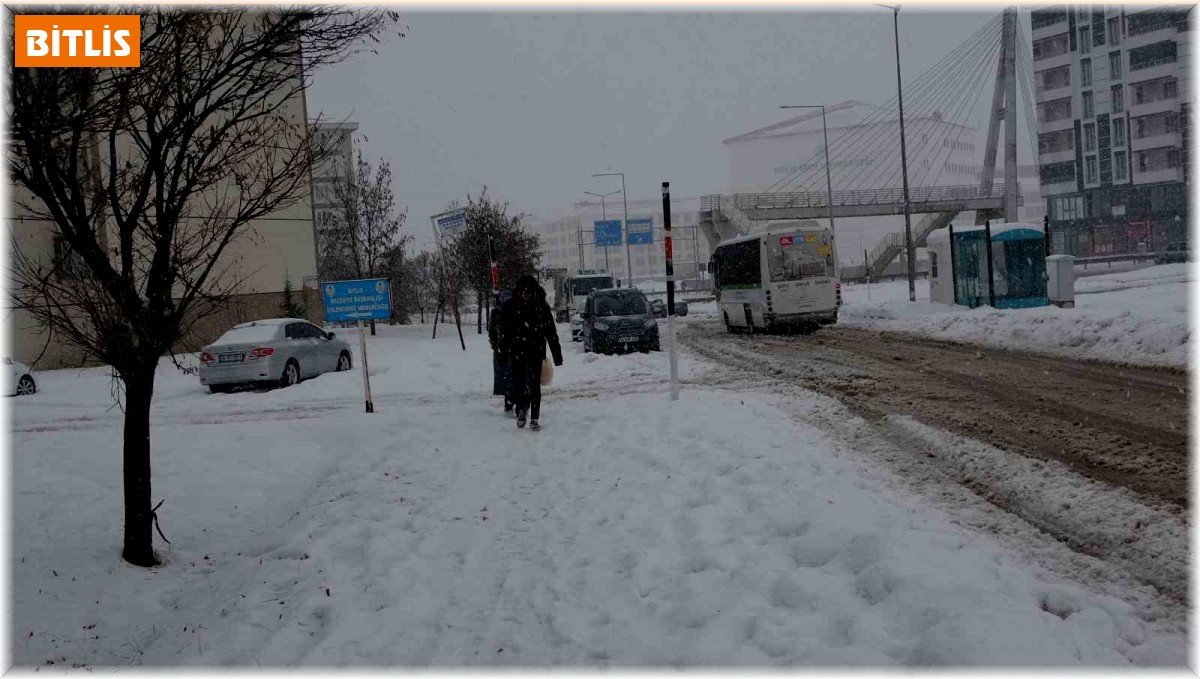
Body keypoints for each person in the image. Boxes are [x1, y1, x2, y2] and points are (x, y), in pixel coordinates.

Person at [499, 275, 563, 431]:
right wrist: (503, 352)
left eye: (527, 292)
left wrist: (557, 354)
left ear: (534, 291)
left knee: (535, 386)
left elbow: (550, 332)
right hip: (516, 351)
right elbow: (505, 332)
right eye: (522, 292)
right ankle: (521, 410)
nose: (524, 295)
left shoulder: (541, 306)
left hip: (535, 351)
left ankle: (534, 418)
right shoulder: (511, 306)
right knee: (518, 384)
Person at [488, 290, 514, 414]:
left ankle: (509, 402)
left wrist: (495, 345)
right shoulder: (500, 312)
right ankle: (510, 401)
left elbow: (492, 332)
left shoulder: (497, 312)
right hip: (509, 349)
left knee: (508, 377)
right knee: (511, 377)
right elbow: (492, 331)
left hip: (504, 349)